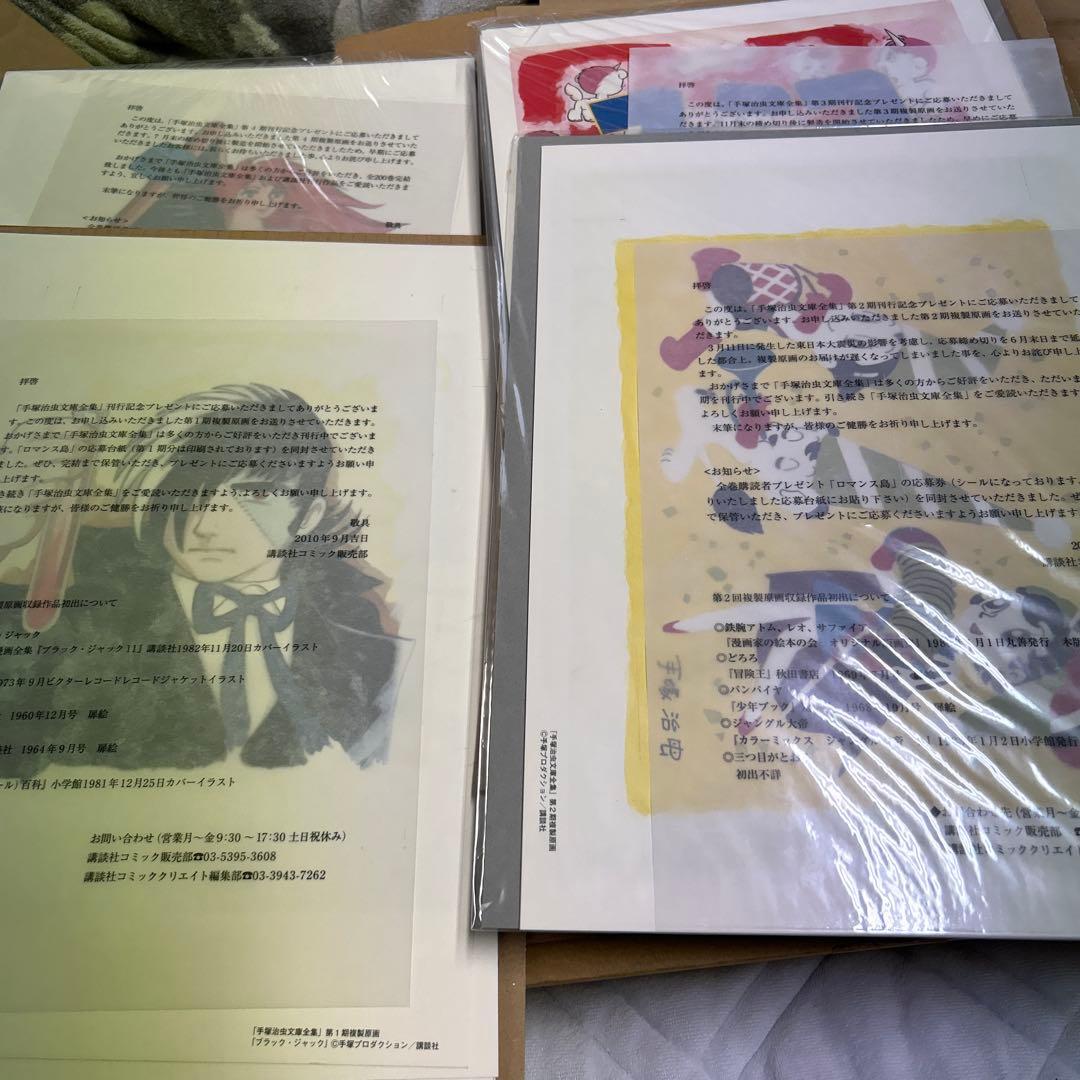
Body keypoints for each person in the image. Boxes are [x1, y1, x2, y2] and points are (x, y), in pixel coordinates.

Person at [0, 384, 402, 776]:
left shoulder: (363, 639)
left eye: (255, 495)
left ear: (308, 515)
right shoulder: (70, 621)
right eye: (187, 493)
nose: (205, 525)